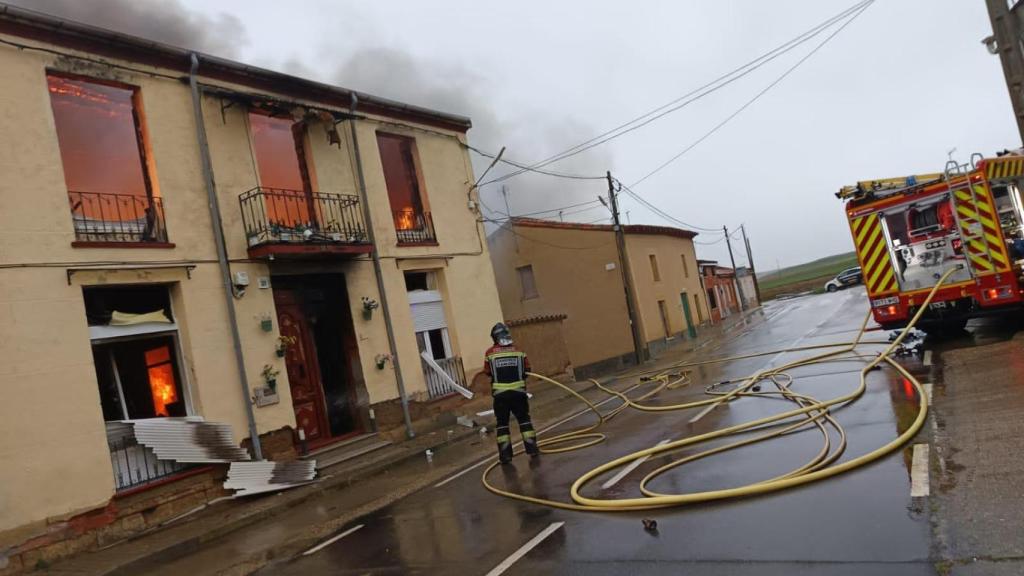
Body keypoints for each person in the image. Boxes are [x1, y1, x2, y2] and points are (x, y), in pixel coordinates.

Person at [483, 322, 539, 464]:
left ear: (495, 337)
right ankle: (532, 449)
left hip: (500, 396)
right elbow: (527, 369)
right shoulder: (519, 351)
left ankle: (505, 456)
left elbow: (487, 372)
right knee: (524, 420)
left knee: (502, 424)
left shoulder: (489, 353)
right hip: (519, 394)